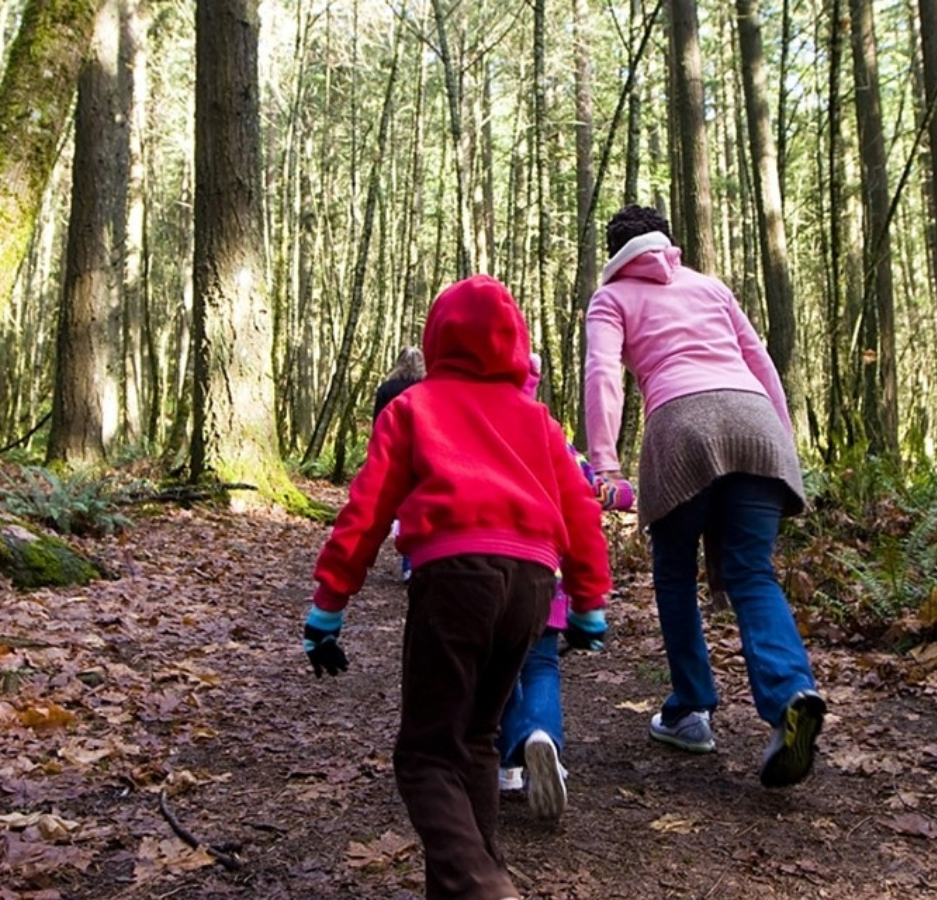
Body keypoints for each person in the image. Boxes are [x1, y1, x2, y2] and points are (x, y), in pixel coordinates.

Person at [302, 274, 613, 900]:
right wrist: (588, 604)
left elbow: (365, 511)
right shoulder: (538, 421)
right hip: (531, 585)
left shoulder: (412, 408)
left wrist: (329, 605)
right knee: (475, 739)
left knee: (425, 754)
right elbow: (581, 510)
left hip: (453, 580)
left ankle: (481, 886)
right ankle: (476, 876)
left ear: (436, 340)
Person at [582, 204, 825, 789]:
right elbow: (759, 359)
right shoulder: (711, 287)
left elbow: (603, 374)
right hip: (755, 421)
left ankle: (691, 709)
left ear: (614, 252)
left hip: (680, 425)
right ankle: (790, 694)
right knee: (752, 573)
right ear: (669, 242)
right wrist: (783, 440)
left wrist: (605, 465)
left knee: (673, 572)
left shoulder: (610, 297)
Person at [495, 354, 635, 824]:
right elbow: (591, 489)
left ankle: (508, 762)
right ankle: (541, 736)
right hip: (545, 581)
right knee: (541, 666)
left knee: (498, 669)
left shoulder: (469, 426)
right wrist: (625, 492)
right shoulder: (550, 434)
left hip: (484, 574)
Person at [373, 347, 426, 579]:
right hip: (421, 452)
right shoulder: (426, 388)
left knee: (397, 506)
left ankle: (406, 561)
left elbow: (378, 424)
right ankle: (412, 563)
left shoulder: (386, 389)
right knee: (417, 505)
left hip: (393, 452)